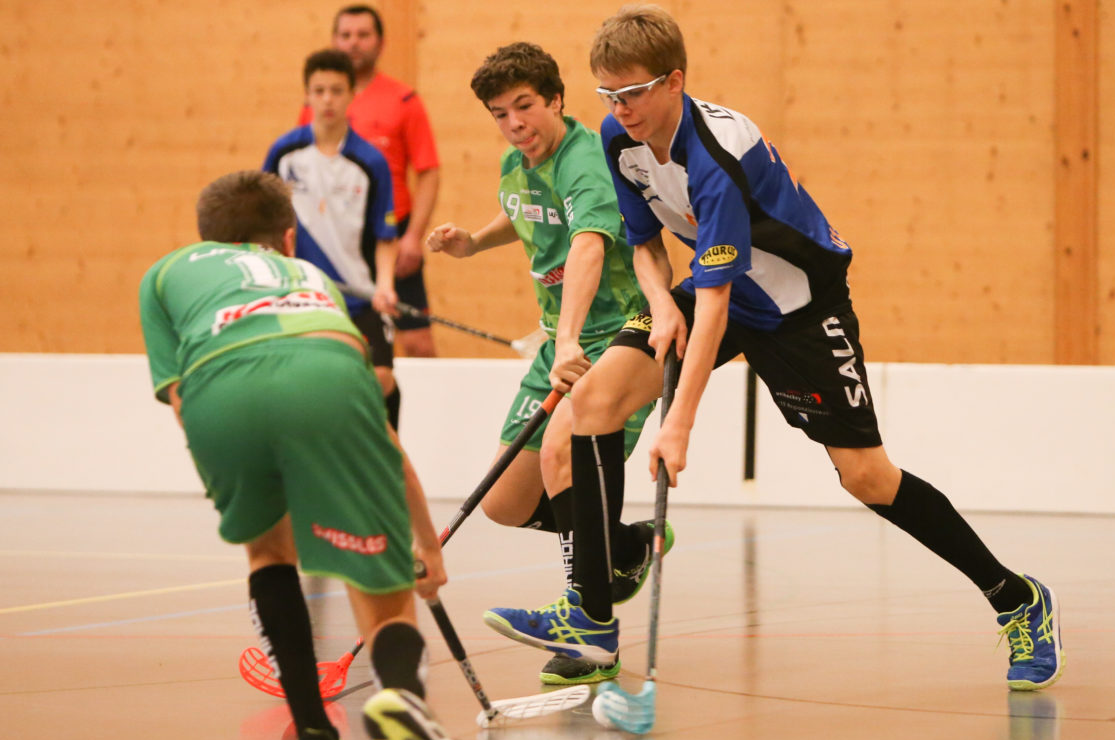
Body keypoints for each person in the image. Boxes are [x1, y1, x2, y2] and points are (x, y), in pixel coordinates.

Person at [483, 4, 1063, 692]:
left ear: (674, 81)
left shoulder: (718, 156)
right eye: (608, 95)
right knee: (594, 402)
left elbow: (719, 305)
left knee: (867, 477)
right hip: (711, 289)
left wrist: (677, 424)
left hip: (796, 310)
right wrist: (661, 301)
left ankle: (1017, 597)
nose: (620, 108)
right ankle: (592, 622)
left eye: (633, 92)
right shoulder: (618, 136)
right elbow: (643, 243)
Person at [138, 170, 494, 740]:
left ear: (206, 239)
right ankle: (401, 694)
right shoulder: (312, 277)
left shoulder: (164, 275)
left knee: (269, 553)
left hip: (220, 391)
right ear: (287, 236)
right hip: (326, 376)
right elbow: (385, 441)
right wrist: (425, 544)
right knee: (383, 592)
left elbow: (181, 397)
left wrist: (229, 469)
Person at [426, 42, 670, 685]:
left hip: (615, 335)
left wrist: (566, 343)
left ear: (556, 99)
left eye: (525, 106)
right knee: (506, 502)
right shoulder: (517, 163)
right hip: (558, 344)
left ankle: (587, 622)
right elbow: (528, 212)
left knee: (562, 452)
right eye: (500, 114)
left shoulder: (586, 161)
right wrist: (474, 243)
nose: (515, 124)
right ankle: (623, 546)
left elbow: (588, 244)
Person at [265, 49, 404, 428]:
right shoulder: (284, 153)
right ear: (306, 94)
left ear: (352, 94)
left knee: (382, 379)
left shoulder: (370, 162)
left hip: (360, 296)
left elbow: (385, 235)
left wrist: (385, 285)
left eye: (337, 91)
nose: (328, 99)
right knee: (307, 384)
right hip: (302, 295)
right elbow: (265, 225)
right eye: (319, 90)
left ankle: (386, 459)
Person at [301, 4, 442, 359]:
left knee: (417, 343)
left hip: (391, 232)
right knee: (338, 338)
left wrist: (412, 237)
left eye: (363, 35)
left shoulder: (404, 100)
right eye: (345, 35)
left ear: (380, 42)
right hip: (336, 236)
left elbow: (428, 171)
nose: (354, 43)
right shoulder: (315, 105)